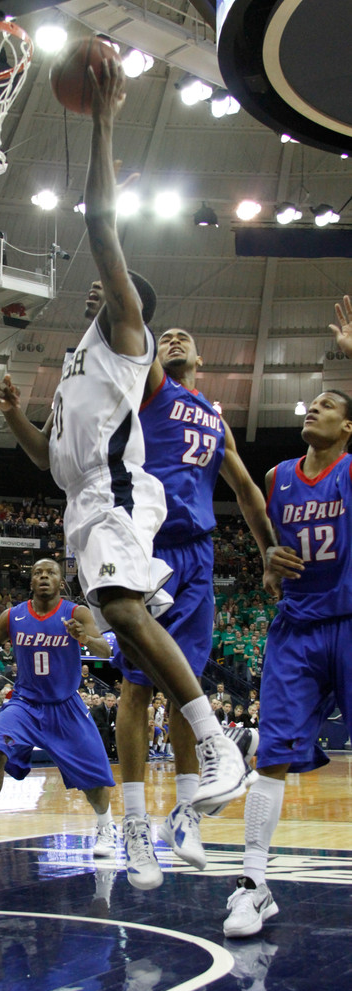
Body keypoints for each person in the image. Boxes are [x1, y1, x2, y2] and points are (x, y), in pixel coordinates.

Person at [0, 58, 252, 830]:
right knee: (124, 630)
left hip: (120, 496)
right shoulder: (76, 360)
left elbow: (100, 224)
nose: (101, 284)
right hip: (82, 503)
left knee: (116, 606)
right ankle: (140, 820)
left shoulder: (124, 331)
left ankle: (214, 740)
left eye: (115, 282)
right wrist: (13, 418)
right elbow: (47, 462)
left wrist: (104, 122)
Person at [223, 295, 352, 938]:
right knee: (270, 755)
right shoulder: (279, 476)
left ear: (348, 428)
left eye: (328, 404)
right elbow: (255, 514)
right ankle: (254, 885)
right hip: (297, 629)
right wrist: (266, 559)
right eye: (311, 403)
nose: (313, 408)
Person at [0, 559, 116, 859]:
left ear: (60, 582)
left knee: (93, 776)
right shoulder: (13, 616)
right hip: (24, 703)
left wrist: (85, 638)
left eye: (50, 573)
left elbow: (106, 651)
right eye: (38, 573)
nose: (44, 576)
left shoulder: (76, 613)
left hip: (65, 704)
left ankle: (106, 828)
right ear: (31, 582)